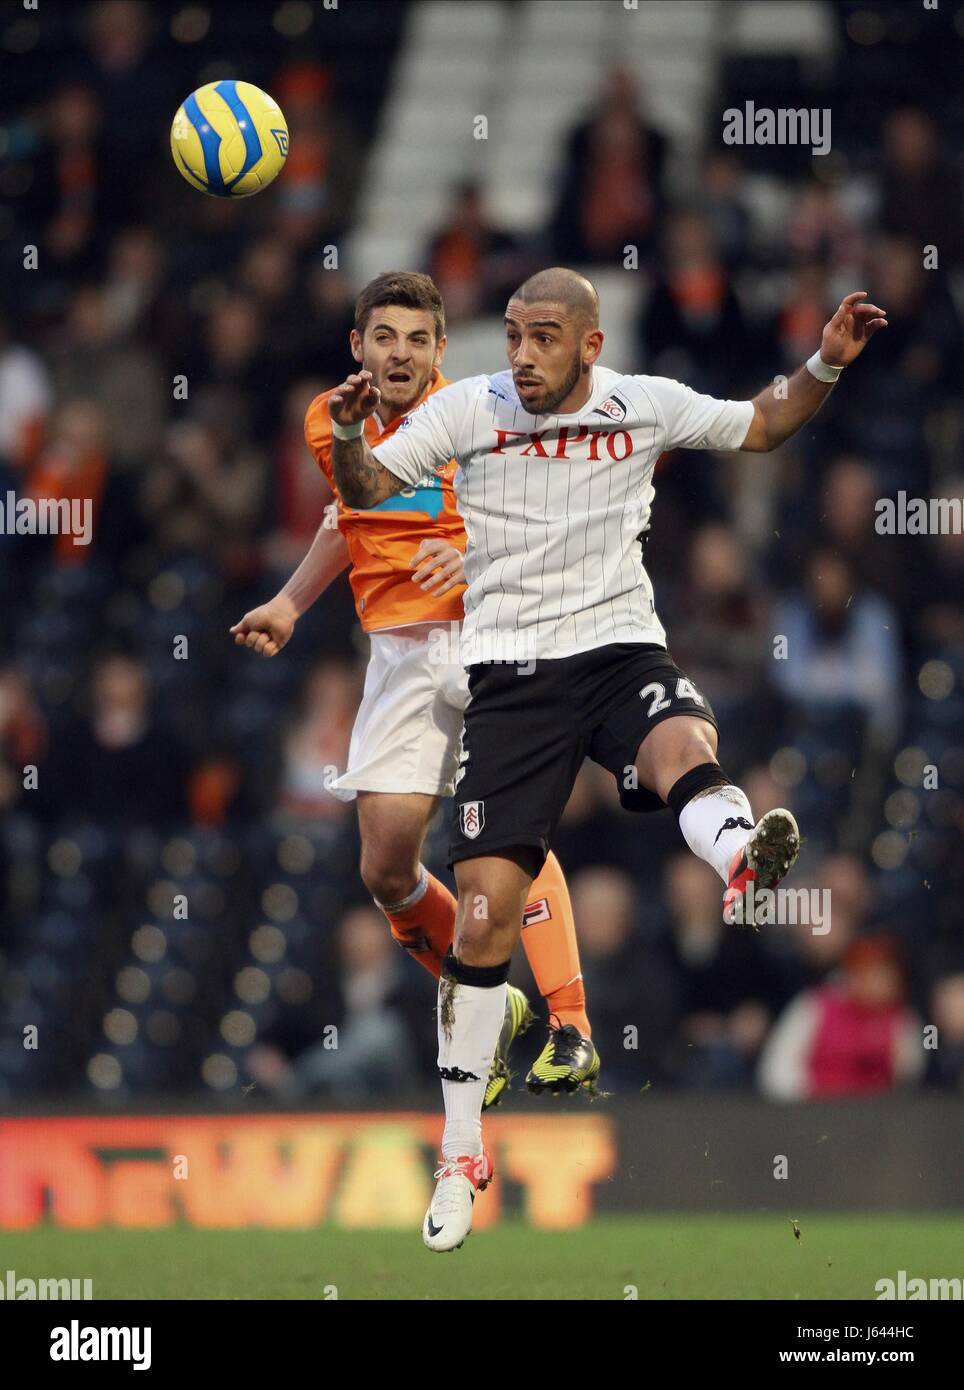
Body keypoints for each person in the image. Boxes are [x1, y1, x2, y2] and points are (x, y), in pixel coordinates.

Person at [327, 266, 887, 1251]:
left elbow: (761, 422)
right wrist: (342, 436)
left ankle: (738, 857)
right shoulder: (468, 409)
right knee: (486, 919)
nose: (522, 357)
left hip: (618, 645)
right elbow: (374, 483)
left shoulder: (645, 404)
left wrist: (824, 365)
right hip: (511, 680)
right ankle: (461, 1155)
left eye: (544, 338)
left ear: (589, 344)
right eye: (510, 335)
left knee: (681, 739)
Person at [231, 272, 598, 1112]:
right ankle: (488, 997)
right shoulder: (331, 420)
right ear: (357, 346)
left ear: (440, 350)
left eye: (417, 338)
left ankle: (570, 1020)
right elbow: (344, 518)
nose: (400, 352)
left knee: (505, 836)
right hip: (395, 650)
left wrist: (472, 558)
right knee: (387, 866)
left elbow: (548, 517)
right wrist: (290, 603)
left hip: (490, 635)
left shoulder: (480, 415)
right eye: (384, 337)